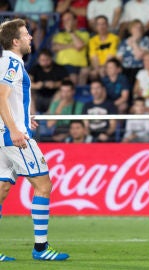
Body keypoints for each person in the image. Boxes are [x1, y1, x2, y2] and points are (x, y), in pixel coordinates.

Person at [0, 18, 69, 261]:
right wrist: (16, 129)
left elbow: (8, 99)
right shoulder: (12, 64)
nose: (30, 37)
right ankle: (41, 248)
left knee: (2, 189)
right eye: (26, 34)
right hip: (14, 138)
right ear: (15, 41)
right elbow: (1, 97)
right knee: (43, 186)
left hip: (3, 136)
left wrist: (23, 115)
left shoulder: (7, 62)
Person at [51, 10, 90, 86]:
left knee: (79, 76)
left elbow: (79, 46)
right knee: (72, 78)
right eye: (64, 20)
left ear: (75, 21)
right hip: (61, 65)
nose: (66, 22)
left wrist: (70, 32)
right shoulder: (59, 35)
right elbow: (55, 47)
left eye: (68, 19)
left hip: (79, 65)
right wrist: (72, 46)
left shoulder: (84, 34)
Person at [29, 48, 69, 114]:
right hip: (38, 97)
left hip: (54, 98)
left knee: (61, 92)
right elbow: (26, 83)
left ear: (51, 58)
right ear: (38, 60)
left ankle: (49, 114)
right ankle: (34, 116)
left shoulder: (59, 68)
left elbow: (68, 83)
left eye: (47, 60)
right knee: (28, 91)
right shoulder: (35, 69)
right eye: (42, 60)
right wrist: (38, 85)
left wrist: (55, 84)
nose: (45, 62)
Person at [116, 19, 149, 87]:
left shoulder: (146, 40)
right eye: (136, 27)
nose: (138, 29)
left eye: (140, 27)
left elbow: (139, 56)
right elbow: (119, 58)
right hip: (125, 69)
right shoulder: (124, 42)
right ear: (131, 29)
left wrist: (134, 42)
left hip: (139, 68)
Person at [87, 15, 120, 80]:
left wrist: (104, 67)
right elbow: (93, 57)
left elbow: (111, 56)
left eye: (103, 24)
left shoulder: (115, 38)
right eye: (99, 24)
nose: (101, 27)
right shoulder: (92, 40)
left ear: (107, 25)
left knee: (103, 72)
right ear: (96, 27)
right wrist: (98, 68)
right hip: (97, 66)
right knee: (93, 73)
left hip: (110, 65)